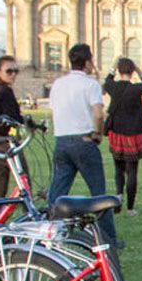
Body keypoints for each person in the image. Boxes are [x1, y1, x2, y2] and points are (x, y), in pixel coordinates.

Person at [48, 43, 120, 247]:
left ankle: (49, 230)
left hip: (62, 140)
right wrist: (98, 133)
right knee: (99, 193)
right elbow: (98, 113)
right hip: (83, 140)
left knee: (58, 191)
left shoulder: (58, 84)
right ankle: (109, 239)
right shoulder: (90, 85)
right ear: (87, 62)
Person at [102, 57, 142, 216]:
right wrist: (138, 68)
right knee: (132, 171)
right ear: (131, 72)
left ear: (119, 70)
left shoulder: (112, 87)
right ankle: (130, 208)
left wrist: (113, 66)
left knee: (118, 168)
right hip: (134, 133)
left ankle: (118, 199)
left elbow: (107, 80)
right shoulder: (136, 89)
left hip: (116, 131)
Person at [0, 55, 29, 198]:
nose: (13, 74)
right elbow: (14, 118)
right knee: (24, 182)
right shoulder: (5, 92)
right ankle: (29, 215)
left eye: (16, 71)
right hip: (7, 142)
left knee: (1, 186)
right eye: (9, 71)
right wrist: (26, 121)